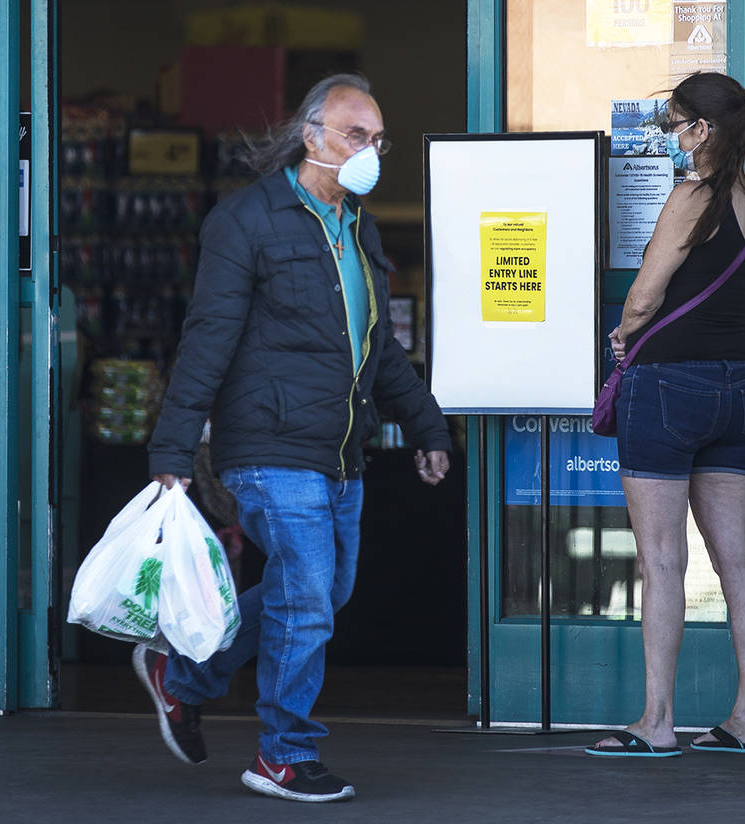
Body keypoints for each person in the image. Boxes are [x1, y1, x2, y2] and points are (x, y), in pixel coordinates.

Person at [137, 74, 451, 801]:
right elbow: (208, 338)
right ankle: (282, 753)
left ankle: (180, 675)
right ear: (311, 136)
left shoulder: (359, 227)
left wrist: (426, 427)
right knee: (307, 595)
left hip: (340, 450)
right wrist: (172, 450)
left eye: (378, 139)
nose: (371, 150)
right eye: (356, 135)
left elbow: (382, 349)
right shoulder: (247, 220)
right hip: (267, 446)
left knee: (319, 591)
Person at [586, 72, 745, 758]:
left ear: (703, 129)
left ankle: (657, 721)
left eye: (674, 124)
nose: (669, 137)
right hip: (737, 388)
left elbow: (645, 297)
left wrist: (622, 334)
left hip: (668, 385)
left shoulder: (691, 198)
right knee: (739, 562)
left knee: (662, 559)